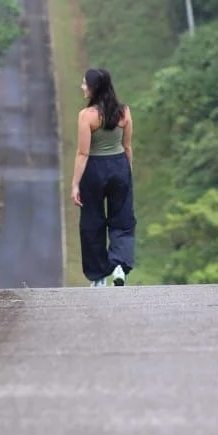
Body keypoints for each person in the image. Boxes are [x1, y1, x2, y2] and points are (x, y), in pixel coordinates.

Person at [71, 67, 136, 288]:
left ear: (94, 88)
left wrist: (75, 184)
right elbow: (127, 147)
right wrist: (127, 173)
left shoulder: (86, 116)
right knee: (122, 220)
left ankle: (98, 276)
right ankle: (119, 265)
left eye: (85, 83)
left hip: (94, 170)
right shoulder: (124, 112)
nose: (82, 87)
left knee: (92, 221)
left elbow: (83, 153)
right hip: (119, 167)